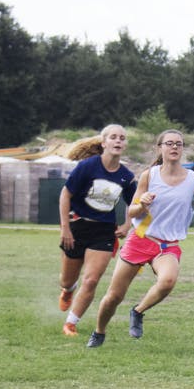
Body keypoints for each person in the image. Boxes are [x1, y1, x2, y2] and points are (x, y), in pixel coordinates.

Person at [86, 129, 194, 347]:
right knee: (114, 296)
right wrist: (143, 205)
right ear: (160, 148)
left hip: (167, 245)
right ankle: (99, 332)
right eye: (169, 143)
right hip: (141, 238)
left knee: (168, 281)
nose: (174, 147)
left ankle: (138, 311)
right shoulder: (149, 175)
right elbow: (131, 212)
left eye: (179, 144)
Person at [57, 124, 137, 337]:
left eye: (122, 138)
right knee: (67, 280)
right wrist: (65, 228)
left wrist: (127, 224)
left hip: (103, 231)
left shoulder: (126, 176)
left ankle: (71, 323)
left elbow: (135, 203)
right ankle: (67, 290)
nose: (118, 141)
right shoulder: (88, 166)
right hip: (77, 227)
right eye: (113, 137)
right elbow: (66, 195)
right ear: (104, 143)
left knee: (91, 280)